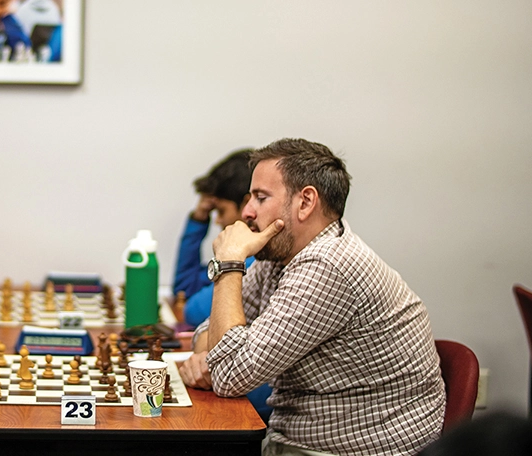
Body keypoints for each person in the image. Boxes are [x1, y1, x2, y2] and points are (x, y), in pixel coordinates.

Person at [179, 139, 446, 456]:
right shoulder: (280, 255)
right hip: (300, 441)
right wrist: (211, 354)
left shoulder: (328, 267)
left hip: (352, 451)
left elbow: (227, 374)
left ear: (305, 202)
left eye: (260, 198)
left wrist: (229, 264)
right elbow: (209, 333)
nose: (247, 211)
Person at [171, 148, 273, 422]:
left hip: (259, 405)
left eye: (220, 210)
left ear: (245, 206)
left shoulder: (255, 261)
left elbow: (192, 309)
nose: (217, 220)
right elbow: (185, 289)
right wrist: (198, 219)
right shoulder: (243, 259)